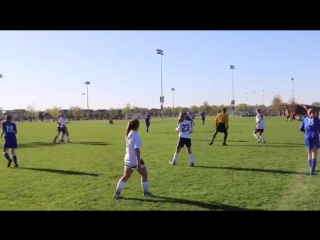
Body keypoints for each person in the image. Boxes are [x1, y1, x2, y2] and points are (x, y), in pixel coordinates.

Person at [113, 119, 153, 199]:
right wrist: (138, 162)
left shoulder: (128, 134)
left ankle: (117, 193)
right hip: (135, 160)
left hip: (128, 159)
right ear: (137, 126)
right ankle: (146, 193)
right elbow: (137, 149)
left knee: (125, 176)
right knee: (144, 175)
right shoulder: (136, 136)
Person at [300, 108, 320, 175]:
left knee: (309, 152)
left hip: (307, 136)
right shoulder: (317, 119)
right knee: (314, 153)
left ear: (308, 113)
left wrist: (306, 132)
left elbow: (301, 128)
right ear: (314, 113)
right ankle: (312, 169)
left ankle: (311, 168)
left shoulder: (305, 119)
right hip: (315, 135)